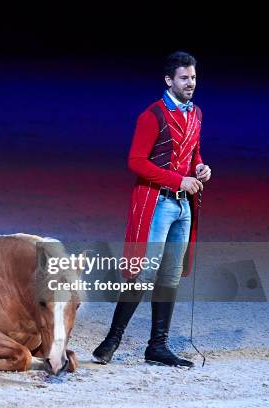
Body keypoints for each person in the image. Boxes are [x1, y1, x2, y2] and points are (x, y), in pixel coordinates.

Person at [92, 51, 211, 367]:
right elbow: (136, 162)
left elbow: (193, 153)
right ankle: (112, 340)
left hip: (183, 206)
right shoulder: (152, 115)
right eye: (184, 78)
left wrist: (199, 169)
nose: (190, 83)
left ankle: (157, 346)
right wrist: (178, 180)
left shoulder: (196, 113)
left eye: (194, 77)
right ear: (169, 80)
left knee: (170, 274)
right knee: (143, 273)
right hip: (157, 203)